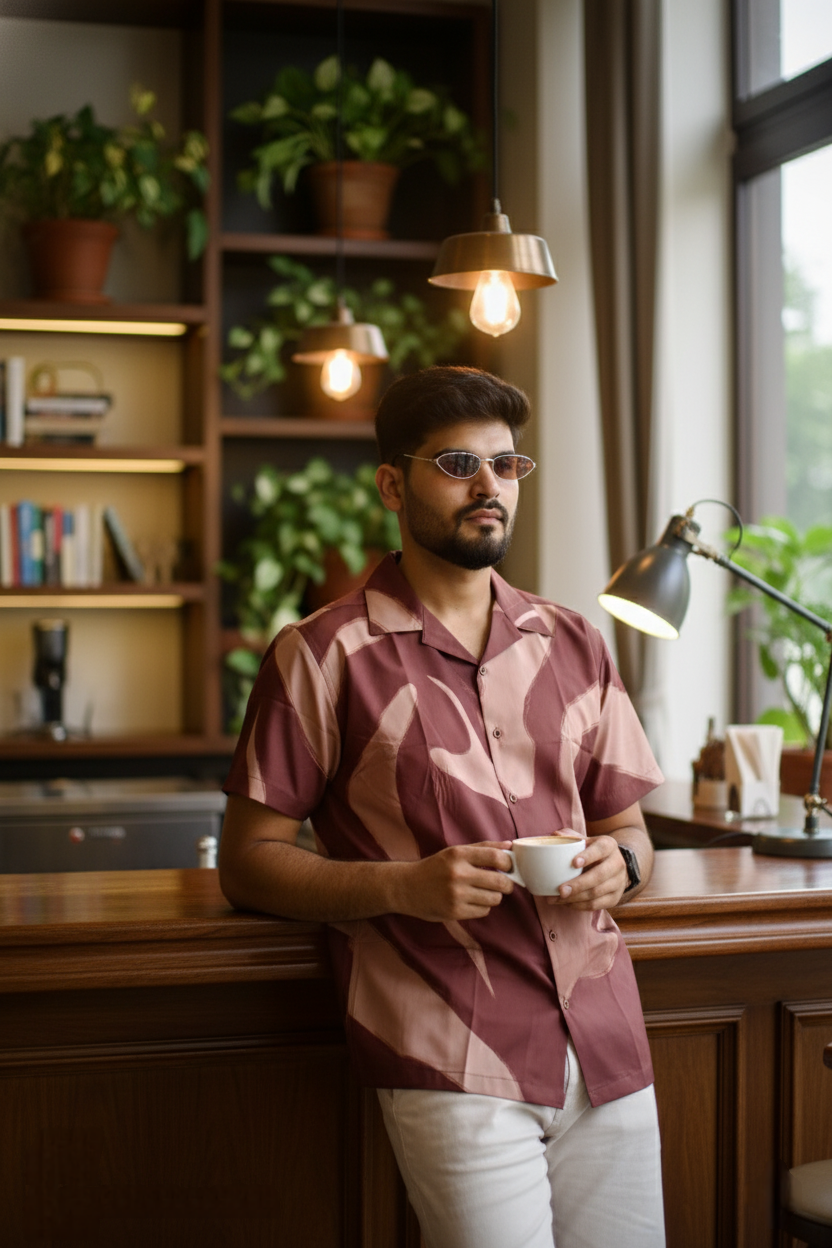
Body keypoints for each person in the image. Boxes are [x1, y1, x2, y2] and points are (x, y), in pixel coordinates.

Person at [219, 365, 666, 1248]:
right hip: (451, 1051)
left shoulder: (574, 640)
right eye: (458, 464)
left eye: (506, 467)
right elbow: (248, 861)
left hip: (609, 1047)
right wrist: (405, 887)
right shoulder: (321, 654)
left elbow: (629, 832)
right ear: (393, 483)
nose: (488, 487)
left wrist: (623, 866)